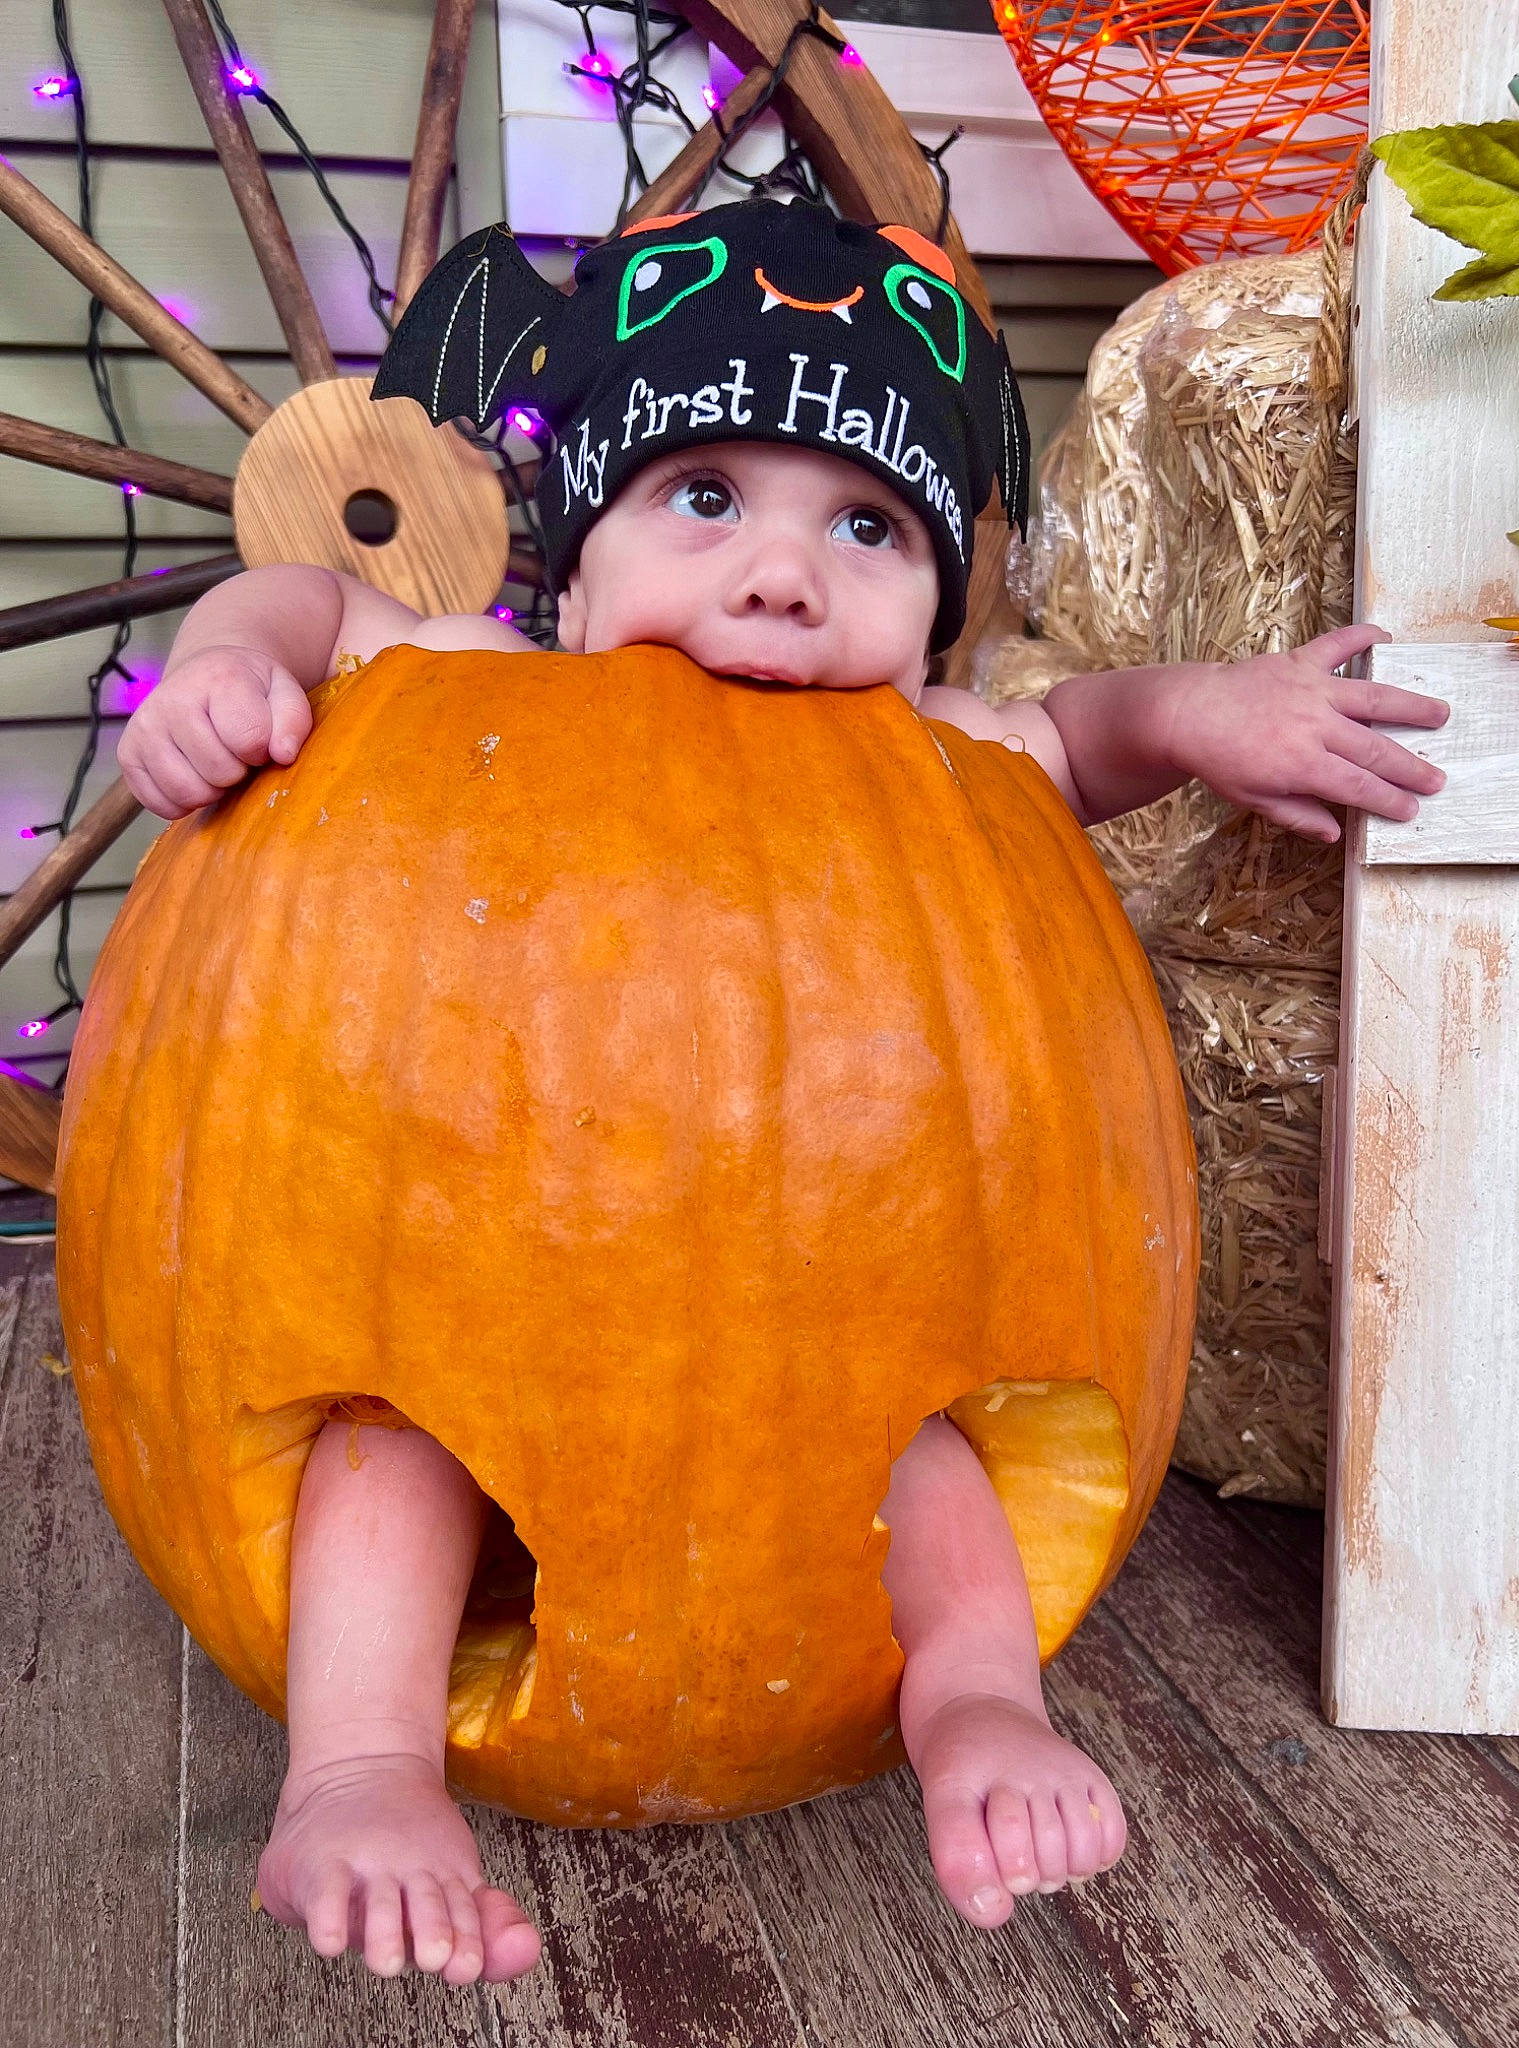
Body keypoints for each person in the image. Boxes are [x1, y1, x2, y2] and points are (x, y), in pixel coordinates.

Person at [116, 198, 1448, 1985]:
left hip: (833, 1302)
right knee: (381, 1446)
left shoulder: (947, 753)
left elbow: (1093, 734)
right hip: (456, 1285)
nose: (780, 573)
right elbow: (306, 597)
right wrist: (225, 661)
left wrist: (1212, 715)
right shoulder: (451, 681)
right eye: (706, 495)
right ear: (576, 563)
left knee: (935, 1448)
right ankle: (358, 1768)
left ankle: (973, 1700)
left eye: (868, 524)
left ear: (941, 603)